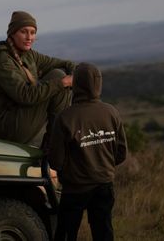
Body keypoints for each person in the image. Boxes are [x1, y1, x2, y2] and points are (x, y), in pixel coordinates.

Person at [47, 63, 128, 241]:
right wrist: (101, 166)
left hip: (75, 189)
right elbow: (121, 153)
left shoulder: (66, 117)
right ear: (98, 84)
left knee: (66, 234)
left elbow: (55, 161)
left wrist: (73, 171)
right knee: (104, 232)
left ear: (76, 85)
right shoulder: (111, 112)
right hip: (105, 185)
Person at [0, 11, 76, 147]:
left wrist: (75, 73)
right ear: (12, 33)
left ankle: (56, 144)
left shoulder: (28, 55)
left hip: (21, 117)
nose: (29, 37)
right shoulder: (3, 60)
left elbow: (65, 63)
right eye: (24, 32)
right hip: (8, 127)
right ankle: (56, 146)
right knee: (58, 78)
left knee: (58, 75)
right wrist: (63, 82)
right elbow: (25, 96)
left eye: (33, 32)